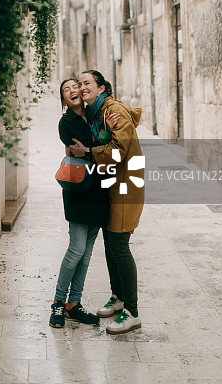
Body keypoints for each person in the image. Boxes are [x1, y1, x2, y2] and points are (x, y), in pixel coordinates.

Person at [69, 69, 144, 335]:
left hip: (125, 187)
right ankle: (119, 298)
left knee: (119, 246)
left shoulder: (114, 111)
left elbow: (119, 152)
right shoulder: (96, 113)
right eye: (79, 83)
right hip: (111, 187)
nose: (81, 86)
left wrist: (88, 151)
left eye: (87, 82)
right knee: (111, 246)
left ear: (101, 88)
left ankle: (132, 312)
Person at [49, 78, 118, 329]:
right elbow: (93, 147)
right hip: (78, 190)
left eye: (74, 87)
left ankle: (73, 305)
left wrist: (104, 136)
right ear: (64, 99)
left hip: (99, 190)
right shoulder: (66, 123)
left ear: (81, 91)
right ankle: (58, 303)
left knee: (87, 255)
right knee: (76, 250)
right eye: (65, 90)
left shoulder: (95, 114)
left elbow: (102, 148)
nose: (71, 91)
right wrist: (105, 135)